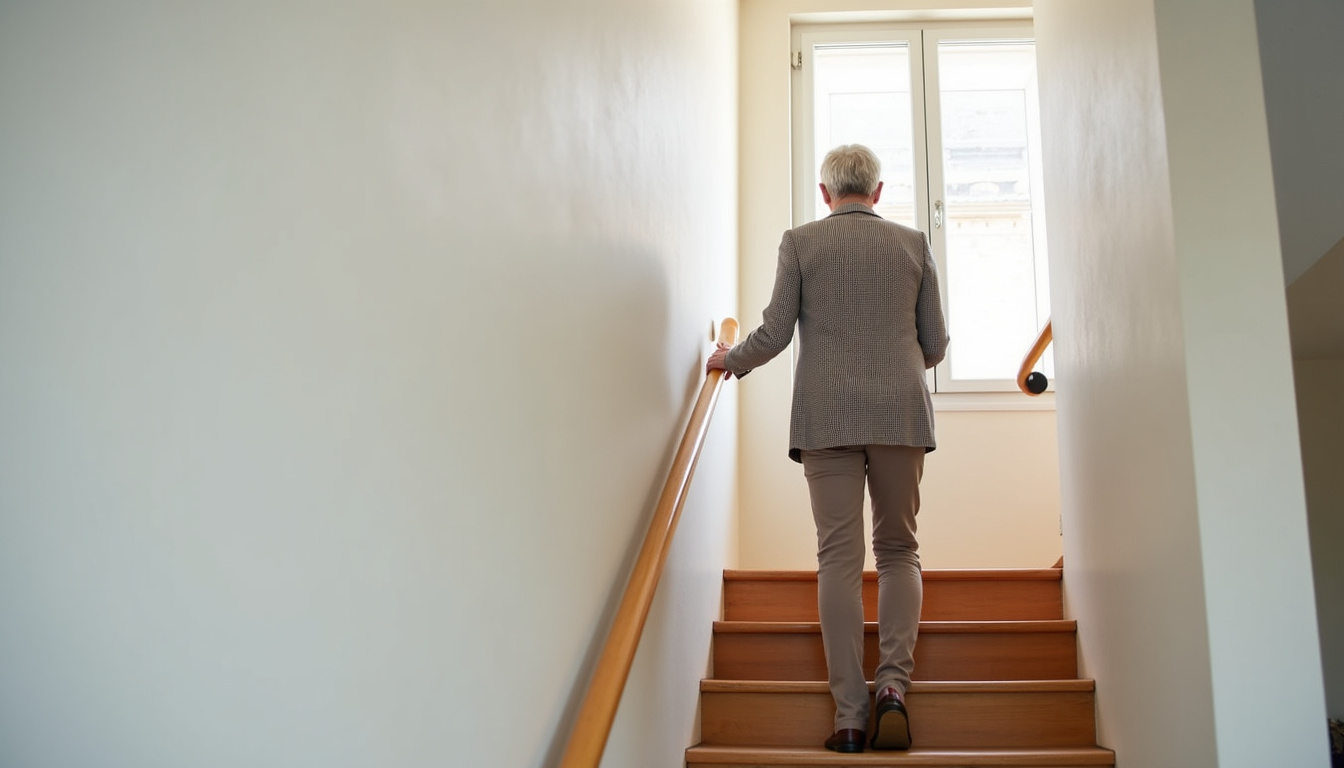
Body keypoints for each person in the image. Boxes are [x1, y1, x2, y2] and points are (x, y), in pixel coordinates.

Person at [707, 144, 949, 753]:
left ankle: (848, 717)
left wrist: (728, 360)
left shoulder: (801, 241)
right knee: (899, 551)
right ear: (878, 191)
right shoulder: (913, 243)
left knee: (838, 560)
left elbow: (775, 329)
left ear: (824, 193)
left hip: (826, 417)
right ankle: (893, 688)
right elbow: (936, 341)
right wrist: (893, 367)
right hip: (900, 415)